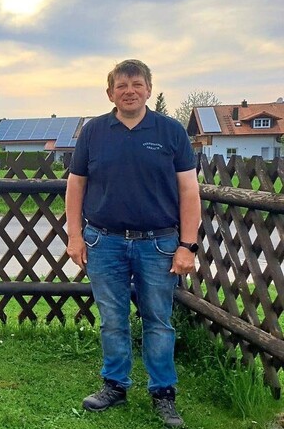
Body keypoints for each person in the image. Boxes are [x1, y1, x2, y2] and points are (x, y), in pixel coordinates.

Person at [65, 59, 200, 427]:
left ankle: (162, 393)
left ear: (148, 89)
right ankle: (115, 385)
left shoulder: (171, 132)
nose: (129, 91)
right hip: (103, 242)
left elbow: (189, 191)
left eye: (136, 84)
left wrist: (188, 245)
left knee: (158, 319)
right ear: (110, 92)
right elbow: (76, 185)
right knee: (112, 319)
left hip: (159, 244)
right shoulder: (93, 131)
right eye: (121, 85)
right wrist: (75, 235)